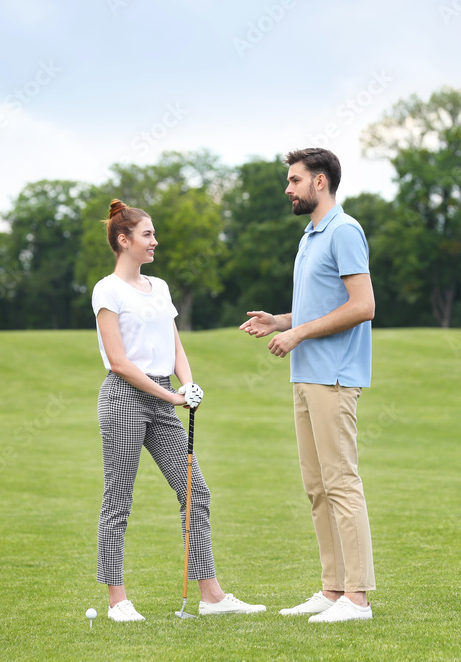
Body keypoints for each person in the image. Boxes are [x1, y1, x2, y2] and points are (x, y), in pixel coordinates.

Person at [92, 199, 264, 621]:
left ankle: (211, 596)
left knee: (195, 491)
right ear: (123, 240)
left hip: (166, 395)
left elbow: (174, 346)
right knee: (118, 498)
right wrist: (170, 397)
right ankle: (118, 601)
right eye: (147, 235)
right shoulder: (107, 290)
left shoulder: (161, 287)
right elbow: (118, 361)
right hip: (123, 398)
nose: (155, 241)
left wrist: (186, 384)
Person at [240, 148, 376, 623]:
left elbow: (362, 305)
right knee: (317, 487)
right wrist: (281, 320)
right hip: (305, 375)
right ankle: (333, 589)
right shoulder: (310, 235)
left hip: (333, 377)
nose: (288, 188)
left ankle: (357, 598)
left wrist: (297, 334)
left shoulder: (344, 230)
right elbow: (322, 307)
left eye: (295, 180)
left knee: (341, 483)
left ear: (320, 183)